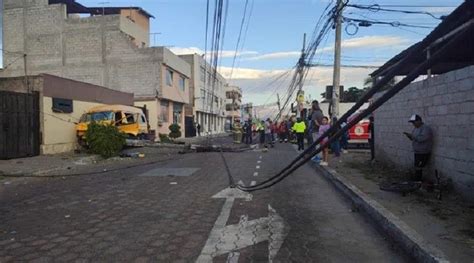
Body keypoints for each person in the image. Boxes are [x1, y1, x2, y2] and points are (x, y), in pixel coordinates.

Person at [403, 114, 433, 181]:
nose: (413, 124)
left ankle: (418, 181)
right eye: (412, 123)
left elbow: (421, 139)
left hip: (423, 152)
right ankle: (417, 181)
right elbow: (414, 138)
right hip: (417, 151)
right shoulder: (416, 129)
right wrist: (409, 136)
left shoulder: (426, 128)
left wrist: (413, 136)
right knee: (417, 167)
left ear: (419, 121)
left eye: (414, 122)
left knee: (419, 167)